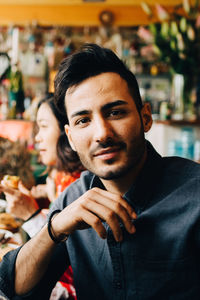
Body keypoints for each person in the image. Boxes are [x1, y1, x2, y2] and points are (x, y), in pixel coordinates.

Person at [0, 43, 200, 300]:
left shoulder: (193, 196)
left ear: (145, 117)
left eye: (115, 112)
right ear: (70, 138)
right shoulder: (74, 199)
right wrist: (56, 227)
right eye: (83, 120)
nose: (102, 134)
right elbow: (13, 287)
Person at [1, 96, 83, 300]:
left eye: (44, 127)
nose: (37, 138)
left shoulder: (77, 185)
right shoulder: (61, 179)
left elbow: (68, 264)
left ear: (67, 132)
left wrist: (31, 214)